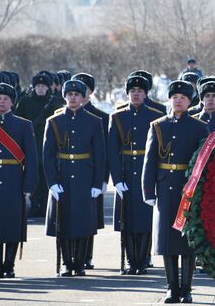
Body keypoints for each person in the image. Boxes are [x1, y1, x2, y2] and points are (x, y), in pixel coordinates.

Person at [142, 80, 209, 303]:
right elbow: (150, 160)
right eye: (175, 97)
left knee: (188, 241)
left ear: (190, 102)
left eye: (183, 97)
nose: (178, 100)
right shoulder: (157, 126)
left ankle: (187, 288)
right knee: (167, 241)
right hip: (165, 188)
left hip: (189, 189)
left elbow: (205, 160)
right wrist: (148, 191)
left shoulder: (199, 127)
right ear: (169, 100)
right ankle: (172, 287)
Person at [43, 80, 106, 277]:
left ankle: (79, 262)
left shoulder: (94, 121)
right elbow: (47, 155)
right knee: (63, 222)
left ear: (83, 97)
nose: (73, 97)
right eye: (69, 94)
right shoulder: (53, 121)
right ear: (65, 96)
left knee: (82, 221)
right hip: (62, 176)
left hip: (84, 176)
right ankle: (66, 262)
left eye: (77, 94)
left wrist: (98, 183)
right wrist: (52, 182)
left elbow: (100, 155)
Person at [109, 75, 164, 275]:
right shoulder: (117, 117)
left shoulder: (156, 116)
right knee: (127, 221)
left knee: (144, 220)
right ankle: (131, 261)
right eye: (132, 91)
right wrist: (116, 179)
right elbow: (112, 151)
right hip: (126, 173)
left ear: (145, 93)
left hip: (145, 172)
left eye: (140, 91)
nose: (136, 94)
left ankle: (142, 259)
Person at [0, 83, 38, 279]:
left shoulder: (23, 124)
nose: (1, 102)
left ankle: (9, 265)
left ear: (12, 102)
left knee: (12, 223)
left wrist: (28, 185)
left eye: (6, 99)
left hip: (14, 179)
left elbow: (32, 158)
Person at [71, 72, 109, 270]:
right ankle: (72, 257)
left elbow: (105, 152)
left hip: (91, 174)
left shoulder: (101, 117)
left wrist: (103, 179)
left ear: (91, 92)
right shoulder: (63, 115)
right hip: (71, 174)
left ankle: (87, 255)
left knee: (89, 217)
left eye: (84, 90)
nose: (80, 94)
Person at [15, 72, 53, 217]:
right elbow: (19, 119)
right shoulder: (25, 101)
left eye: (43, 86)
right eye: (38, 86)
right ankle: (35, 204)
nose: (41, 88)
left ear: (48, 88)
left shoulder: (53, 102)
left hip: (49, 143)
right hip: (31, 143)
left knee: (46, 177)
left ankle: (45, 205)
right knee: (33, 175)